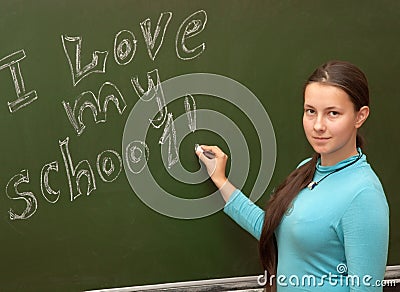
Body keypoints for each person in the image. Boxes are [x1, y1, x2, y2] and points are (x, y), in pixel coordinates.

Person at [196, 60, 389, 291]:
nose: (318, 125)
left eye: (333, 113)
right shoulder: (308, 169)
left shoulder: (363, 195)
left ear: (360, 116)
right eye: (310, 111)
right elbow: (273, 229)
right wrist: (220, 179)